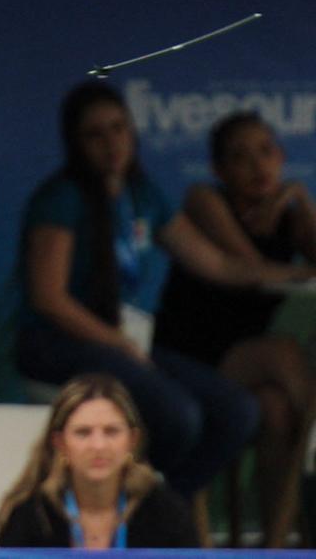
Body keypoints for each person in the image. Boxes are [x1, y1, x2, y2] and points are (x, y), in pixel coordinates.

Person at [14, 82, 315, 501]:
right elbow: (49, 299)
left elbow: (219, 265)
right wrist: (116, 341)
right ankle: (131, 510)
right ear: (75, 144)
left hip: (122, 341)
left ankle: (156, 511)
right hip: (58, 343)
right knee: (179, 415)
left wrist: (296, 272)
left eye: (118, 128)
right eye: (95, 134)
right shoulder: (62, 198)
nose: (111, 143)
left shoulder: (142, 193)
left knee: (237, 412)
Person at [154, 111, 316, 546]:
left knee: (276, 409)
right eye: (241, 157)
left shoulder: (290, 216)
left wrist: (301, 198)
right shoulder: (204, 200)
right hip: (188, 354)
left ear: (282, 156)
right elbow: (249, 267)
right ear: (219, 170)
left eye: (266, 151)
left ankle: (275, 545)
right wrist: (296, 263)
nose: (258, 165)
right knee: (284, 353)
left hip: (243, 359)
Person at [0, 373, 198, 548]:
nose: (98, 445)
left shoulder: (168, 515)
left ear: (132, 441)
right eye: (83, 432)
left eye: (111, 431)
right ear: (60, 443)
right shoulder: (30, 517)